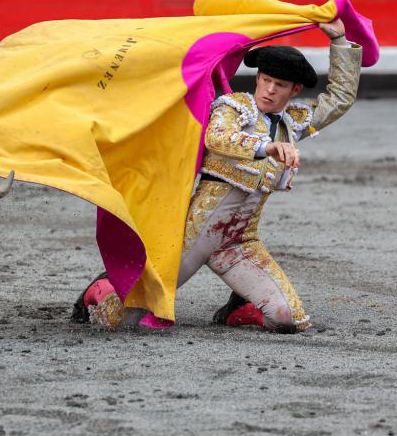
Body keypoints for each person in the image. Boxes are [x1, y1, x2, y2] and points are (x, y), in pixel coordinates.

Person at [74, 18, 363, 333]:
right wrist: (266, 147)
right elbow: (218, 137)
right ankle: (101, 288)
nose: (268, 90)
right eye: (265, 80)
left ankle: (238, 309)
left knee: (287, 318)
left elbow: (339, 101)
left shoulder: (291, 123)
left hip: (239, 242)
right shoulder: (236, 107)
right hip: (192, 237)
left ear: (294, 89)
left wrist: (340, 42)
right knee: (121, 320)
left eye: (279, 85)